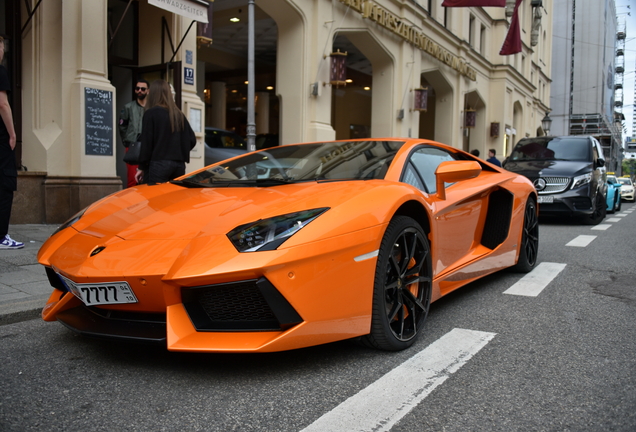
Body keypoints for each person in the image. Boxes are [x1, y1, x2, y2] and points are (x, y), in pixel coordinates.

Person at [135, 80, 196, 185]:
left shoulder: (151, 113)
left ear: (153, 94)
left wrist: (141, 167)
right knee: (174, 199)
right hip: (179, 165)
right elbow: (192, 140)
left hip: (159, 164)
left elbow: (147, 143)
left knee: (155, 198)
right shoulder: (178, 114)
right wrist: (178, 152)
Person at [0, 36, 23, 249]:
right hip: (0, 140)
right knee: (5, 186)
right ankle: (2, 236)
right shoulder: (0, 71)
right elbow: (3, 105)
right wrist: (12, 133)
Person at [119, 79, 148, 187]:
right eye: (137, 88)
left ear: (148, 91)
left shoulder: (151, 108)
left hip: (148, 147)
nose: (140, 90)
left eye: (143, 89)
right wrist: (127, 142)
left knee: (147, 178)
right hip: (132, 146)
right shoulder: (128, 107)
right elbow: (122, 127)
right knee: (133, 178)